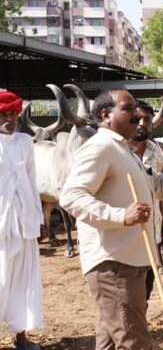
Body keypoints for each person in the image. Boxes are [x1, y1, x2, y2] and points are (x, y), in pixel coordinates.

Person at [60, 89, 163, 349]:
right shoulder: (100, 147)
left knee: (109, 343)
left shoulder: (125, 151)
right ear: (106, 115)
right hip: (114, 265)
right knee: (134, 343)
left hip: (130, 261)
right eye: (128, 109)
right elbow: (71, 196)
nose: (138, 115)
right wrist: (120, 216)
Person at [0, 90, 44, 350]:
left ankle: (20, 335)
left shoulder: (26, 141)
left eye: (13, 115)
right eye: (3, 115)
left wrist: (38, 218)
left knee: (24, 279)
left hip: (25, 219)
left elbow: (31, 178)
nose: (9, 119)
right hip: (0, 221)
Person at [128, 99, 163, 301]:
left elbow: (162, 187)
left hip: (152, 230)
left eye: (147, 119)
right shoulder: (115, 151)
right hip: (124, 236)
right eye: (137, 119)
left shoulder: (156, 151)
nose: (142, 123)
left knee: (146, 291)